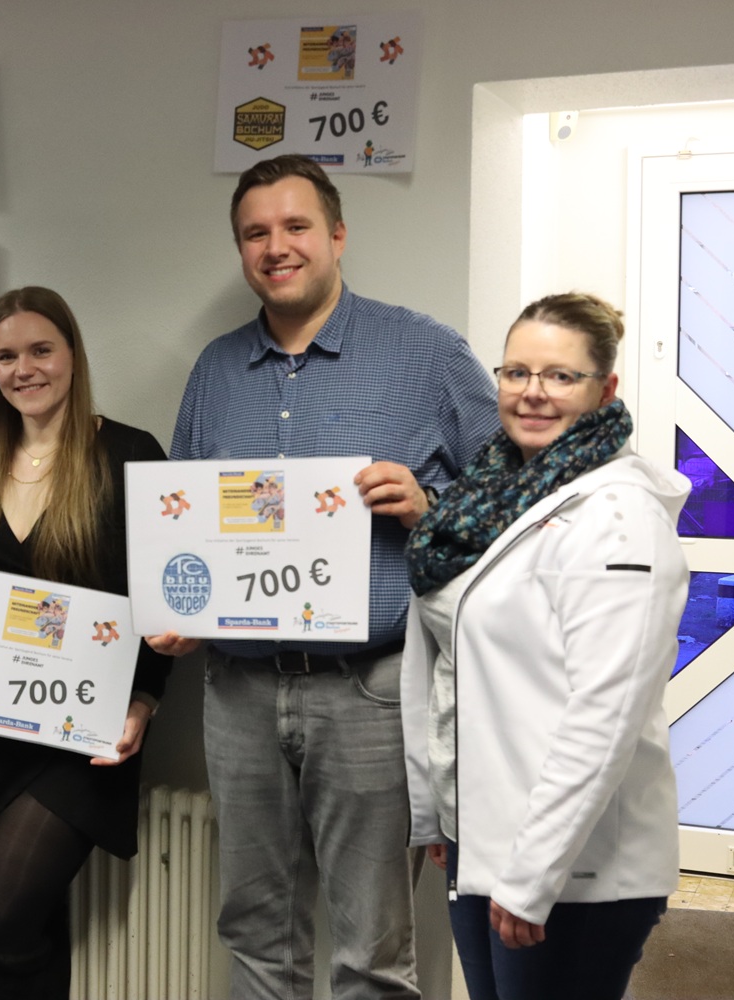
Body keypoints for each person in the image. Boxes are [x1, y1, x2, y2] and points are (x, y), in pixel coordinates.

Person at [154, 154, 498, 999]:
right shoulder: (215, 371)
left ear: (337, 234)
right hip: (237, 693)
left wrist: (428, 506)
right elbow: (186, 519)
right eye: (256, 233)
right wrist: (178, 608)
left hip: (369, 692)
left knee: (371, 945)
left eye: (296, 226)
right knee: (253, 931)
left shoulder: (426, 353)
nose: (277, 246)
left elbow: (512, 505)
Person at [402, 293, 688, 1000]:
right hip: (488, 838)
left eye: (561, 376)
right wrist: (448, 812)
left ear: (605, 391)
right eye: (516, 371)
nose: (533, 392)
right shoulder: (495, 497)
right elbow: (463, 672)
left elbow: (604, 716)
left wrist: (531, 876)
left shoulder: (618, 520)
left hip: (571, 869)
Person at [0, 286, 170, 999]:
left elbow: (162, 605)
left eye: (40, 349)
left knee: (1, 926)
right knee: (36, 930)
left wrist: (144, 700)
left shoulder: (130, 454)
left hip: (80, 742)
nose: (24, 369)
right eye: (5, 356)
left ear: (73, 355)